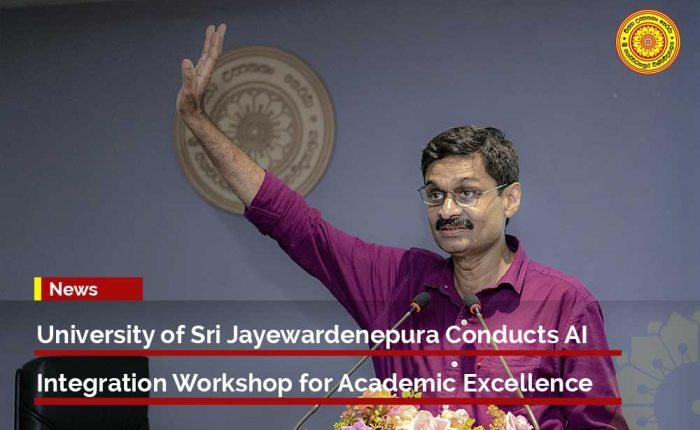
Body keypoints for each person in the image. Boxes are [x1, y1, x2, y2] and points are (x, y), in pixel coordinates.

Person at [176, 24, 629, 429]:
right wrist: (197, 121)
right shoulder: (398, 285)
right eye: (435, 194)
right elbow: (294, 224)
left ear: (510, 197)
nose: (447, 209)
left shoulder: (566, 305)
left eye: (466, 192)